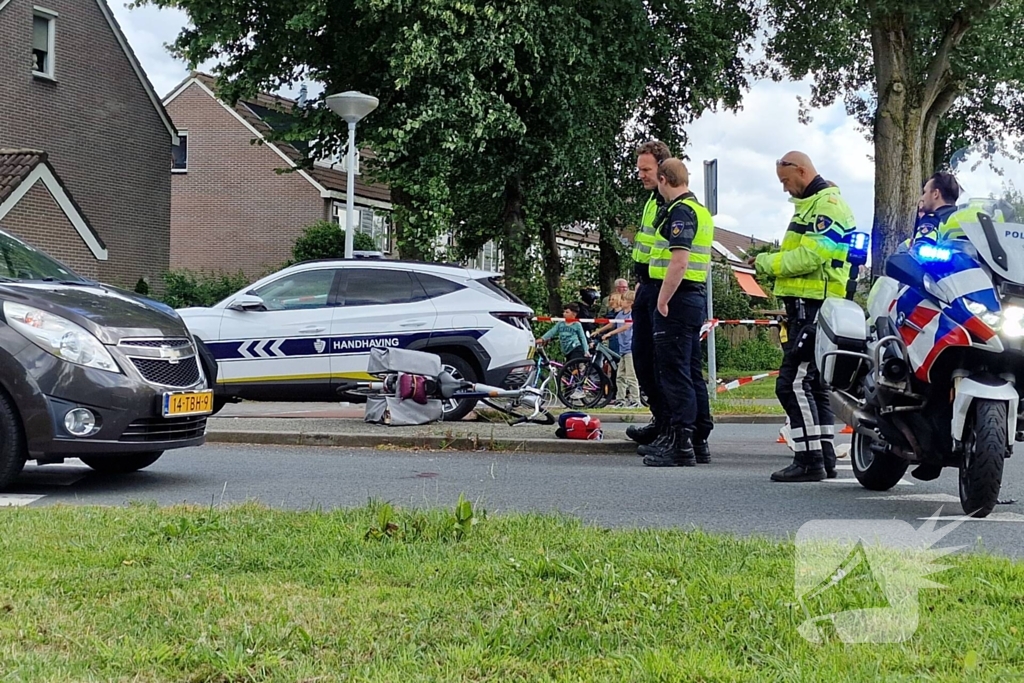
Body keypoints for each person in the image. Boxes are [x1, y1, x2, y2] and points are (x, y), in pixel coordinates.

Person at [751, 151, 857, 482]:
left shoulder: (827, 206)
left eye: (786, 181)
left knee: (791, 383)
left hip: (815, 307)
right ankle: (823, 456)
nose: (785, 189)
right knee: (812, 384)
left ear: (801, 170)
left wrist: (767, 263)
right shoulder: (815, 205)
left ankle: (809, 459)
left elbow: (811, 256)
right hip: (811, 306)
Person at [640, 158, 715, 467]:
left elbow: (679, 261)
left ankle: (680, 442)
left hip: (677, 298)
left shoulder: (679, 212)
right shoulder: (700, 210)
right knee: (689, 368)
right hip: (692, 298)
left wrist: (662, 299)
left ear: (664, 180)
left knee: (673, 370)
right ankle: (697, 438)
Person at [624, 140, 673, 449]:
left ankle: (672, 428)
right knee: (642, 359)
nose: (640, 174)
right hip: (646, 286)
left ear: (662, 170)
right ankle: (660, 420)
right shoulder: (652, 202)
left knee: (662, 362)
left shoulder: (670, 203)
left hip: (662, 290)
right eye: (639, 169)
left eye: (646, 169)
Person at [600, 290, 639, 407]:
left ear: (630, 302)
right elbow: (612, 324)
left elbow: (627, 326)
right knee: (620, 375)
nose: (621, 302)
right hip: (623, 349)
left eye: (623, 300)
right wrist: (599, 331)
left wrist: (611, 334)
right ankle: (620, 399)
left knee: (631, 375)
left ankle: (635, 400)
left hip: (630, 349)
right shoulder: (620, 314)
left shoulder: (632, 314)